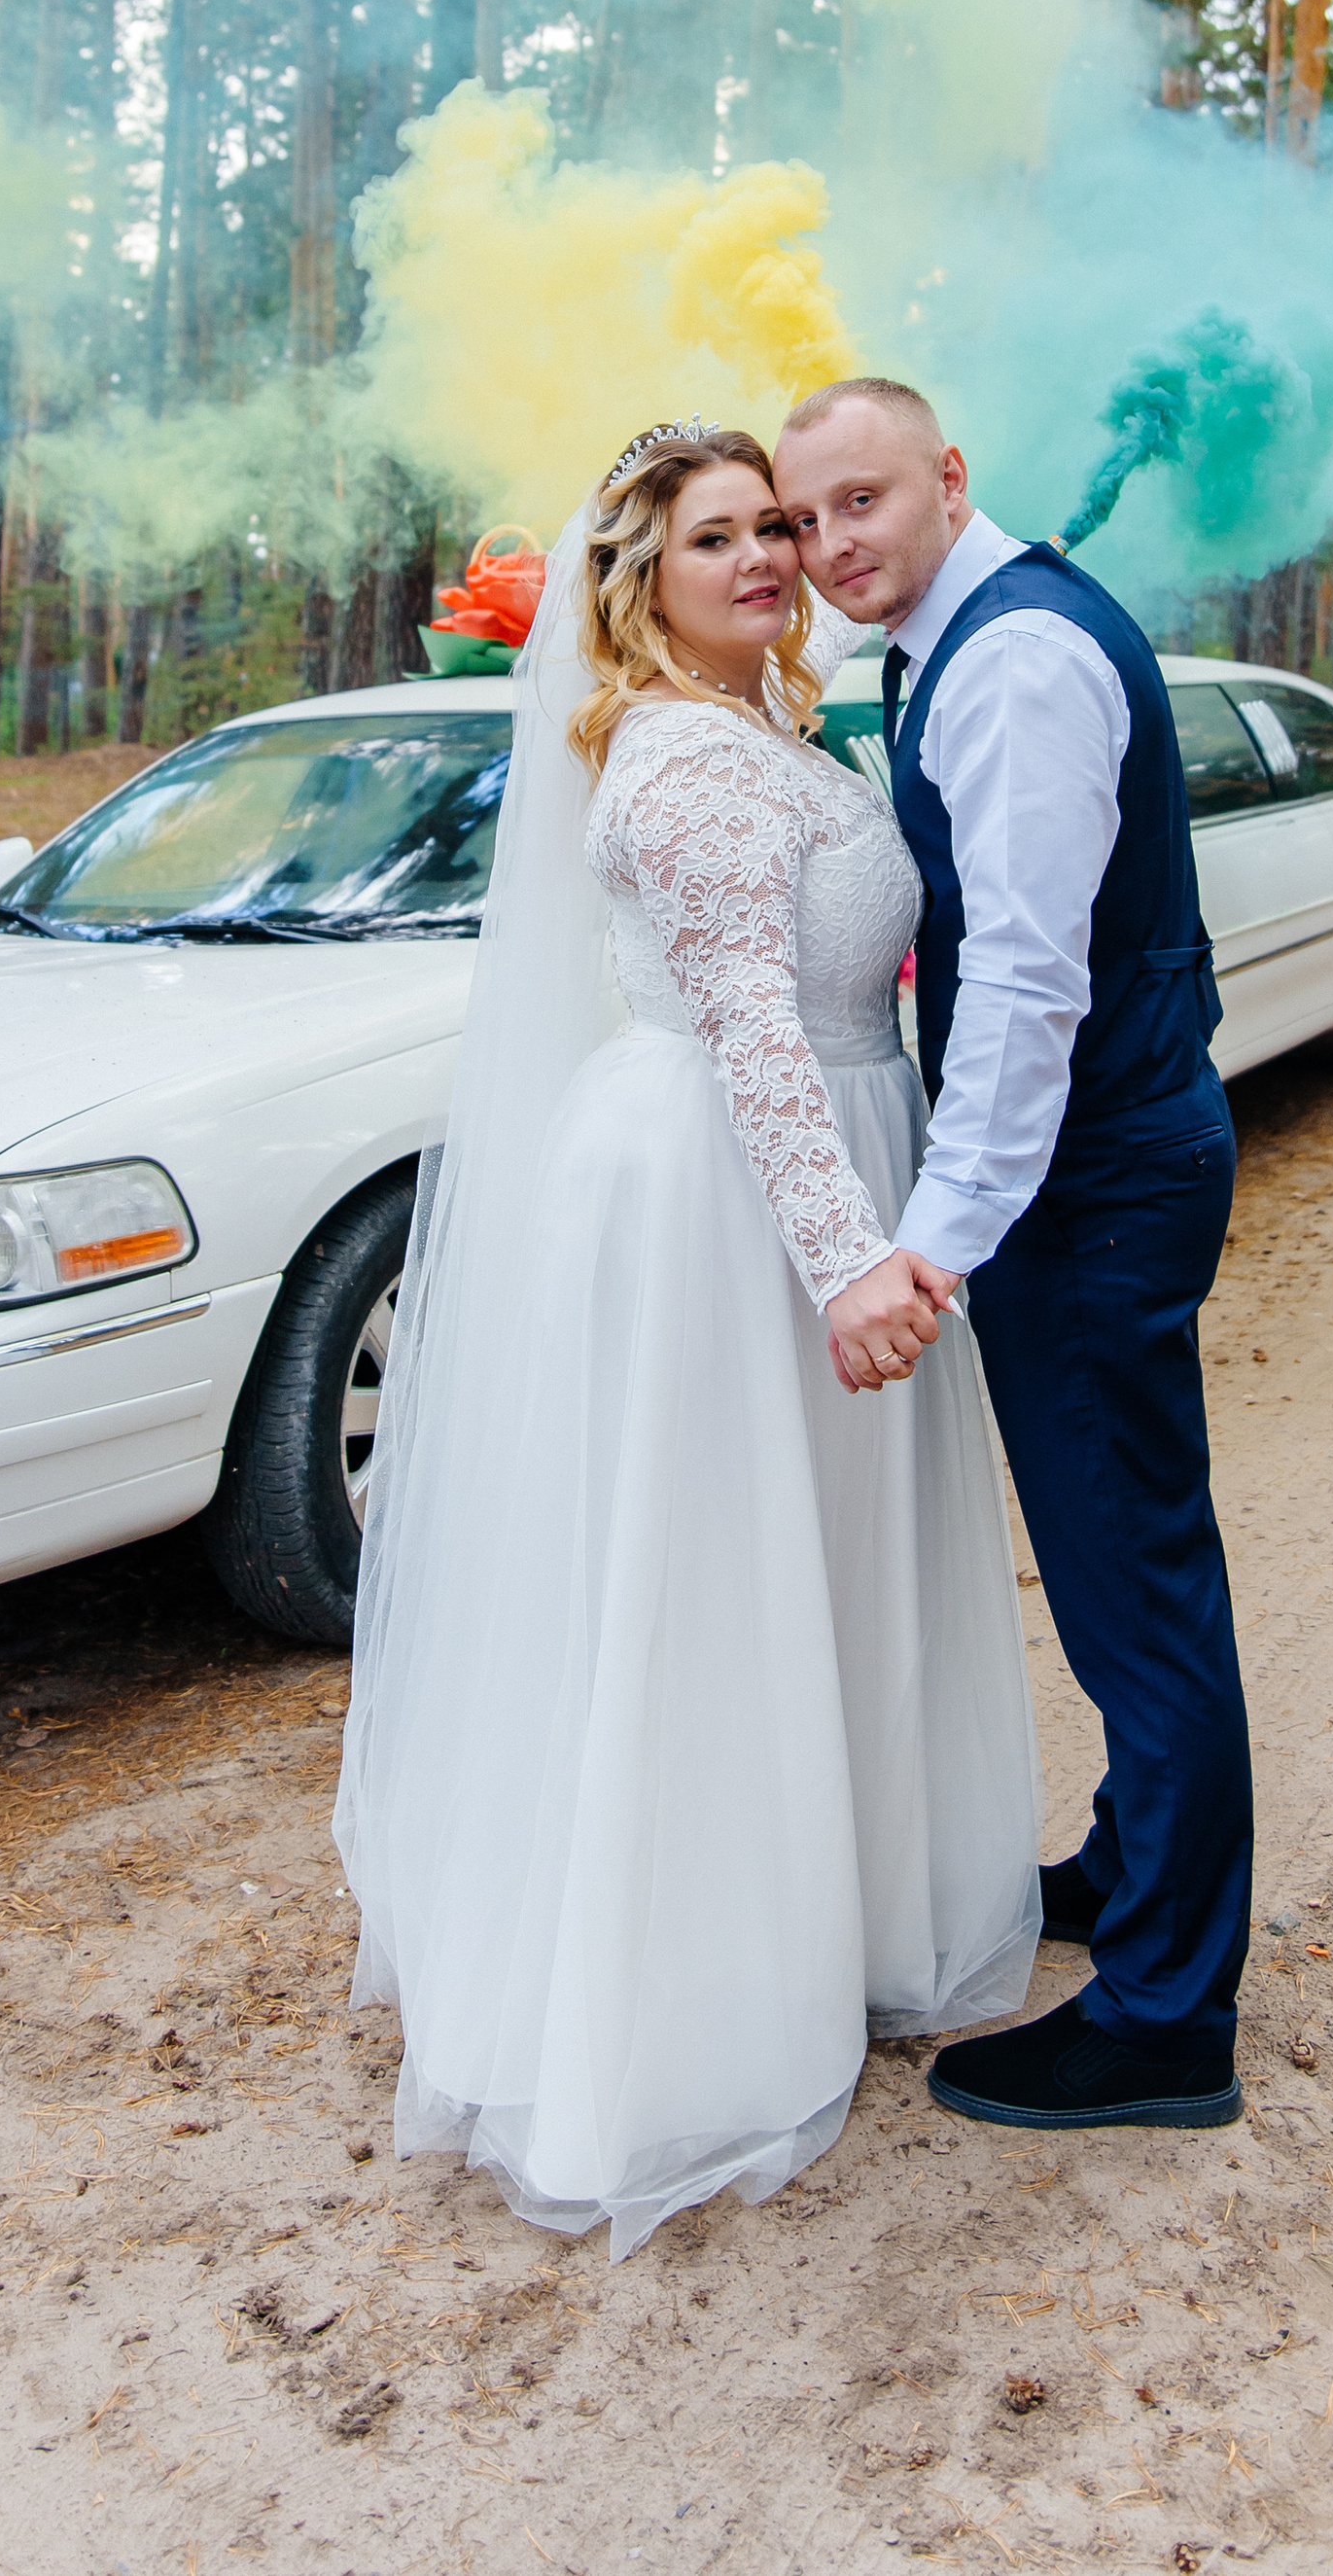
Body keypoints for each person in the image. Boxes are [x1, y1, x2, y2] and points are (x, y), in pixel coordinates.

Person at [333, 419, 1042, 2258]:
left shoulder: (762, 730)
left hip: (802, 1154)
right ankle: (691, 2001)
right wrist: (845, 1268)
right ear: (638, 578)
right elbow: (751, 1031)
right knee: (710, 1579)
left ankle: (837, 1911)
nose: (765, 557)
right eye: (718, 534)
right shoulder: (684, 761)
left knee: (803, 1568)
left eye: (778, 528)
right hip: (732, 1194)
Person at [772, 376, 1250, 2133]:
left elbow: (1032, 985)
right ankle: (1137, 1864)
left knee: (1137, 1584)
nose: (832, 546)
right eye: (806, 517)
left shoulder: (1018, 660)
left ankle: (1165, 2016)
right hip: (1104, 1156)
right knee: (1130, 1548)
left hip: (1094, 1177)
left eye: (861, 501)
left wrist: (935, 1244)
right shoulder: (953, 639)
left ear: (948, 475)